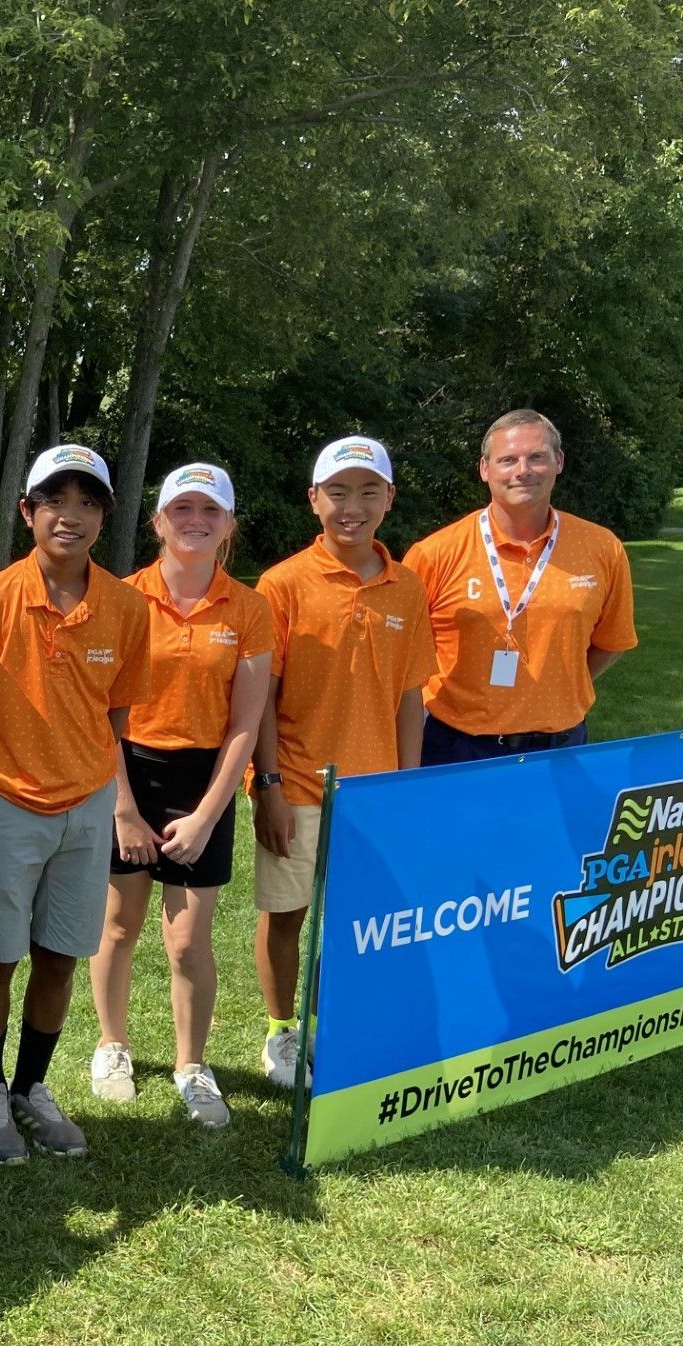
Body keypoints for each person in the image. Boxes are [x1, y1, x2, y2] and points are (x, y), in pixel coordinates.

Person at [0, 443, 151, 1164]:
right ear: (28, 512)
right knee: (0, 955)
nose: (72, 516)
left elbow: (116, 715)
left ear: (104, 518)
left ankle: (33, 1087)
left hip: (87, 807)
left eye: (89, 503)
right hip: (8, 804)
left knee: (60, 955)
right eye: (56, 501)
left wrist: (86, 779)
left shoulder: (127, 608)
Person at [87, 464, 272, 1126]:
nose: (196, 519)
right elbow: (101, 711)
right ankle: (112, 1046)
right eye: (182, 508)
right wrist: (124, 808)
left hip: (206, 781)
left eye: (210, 510)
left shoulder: (249, 608)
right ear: (158, 520)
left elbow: (247, 723)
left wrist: (206, 815)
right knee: (117, 924)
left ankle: (192, 1064)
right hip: (128, 771)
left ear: (228, 525)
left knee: (189, 940)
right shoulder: (121, 598)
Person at [252, 436, 435, 1087]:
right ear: (314, 500)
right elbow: (260, 699)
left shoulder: (407, 588)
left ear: (388, 498)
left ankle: (339, 1028)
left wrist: (406, 790)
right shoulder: (281, 584)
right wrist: (267, 786)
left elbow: (412, 696)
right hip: (297, 783)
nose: (350, 506)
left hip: (375, 790)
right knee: (287, 916)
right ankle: (281, 1032)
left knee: (359, 921)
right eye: (337, 492)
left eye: (366, 491)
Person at [403, 408, 637, 765]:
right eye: (508, 459)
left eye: (537, 457)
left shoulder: (602, 548)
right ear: (485, 469)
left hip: (563, 748)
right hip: (456, 748)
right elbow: (403, 660)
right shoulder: (434, 554)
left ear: (559, 461)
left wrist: (558, 683)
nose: (523, 471)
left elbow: (612, 641)